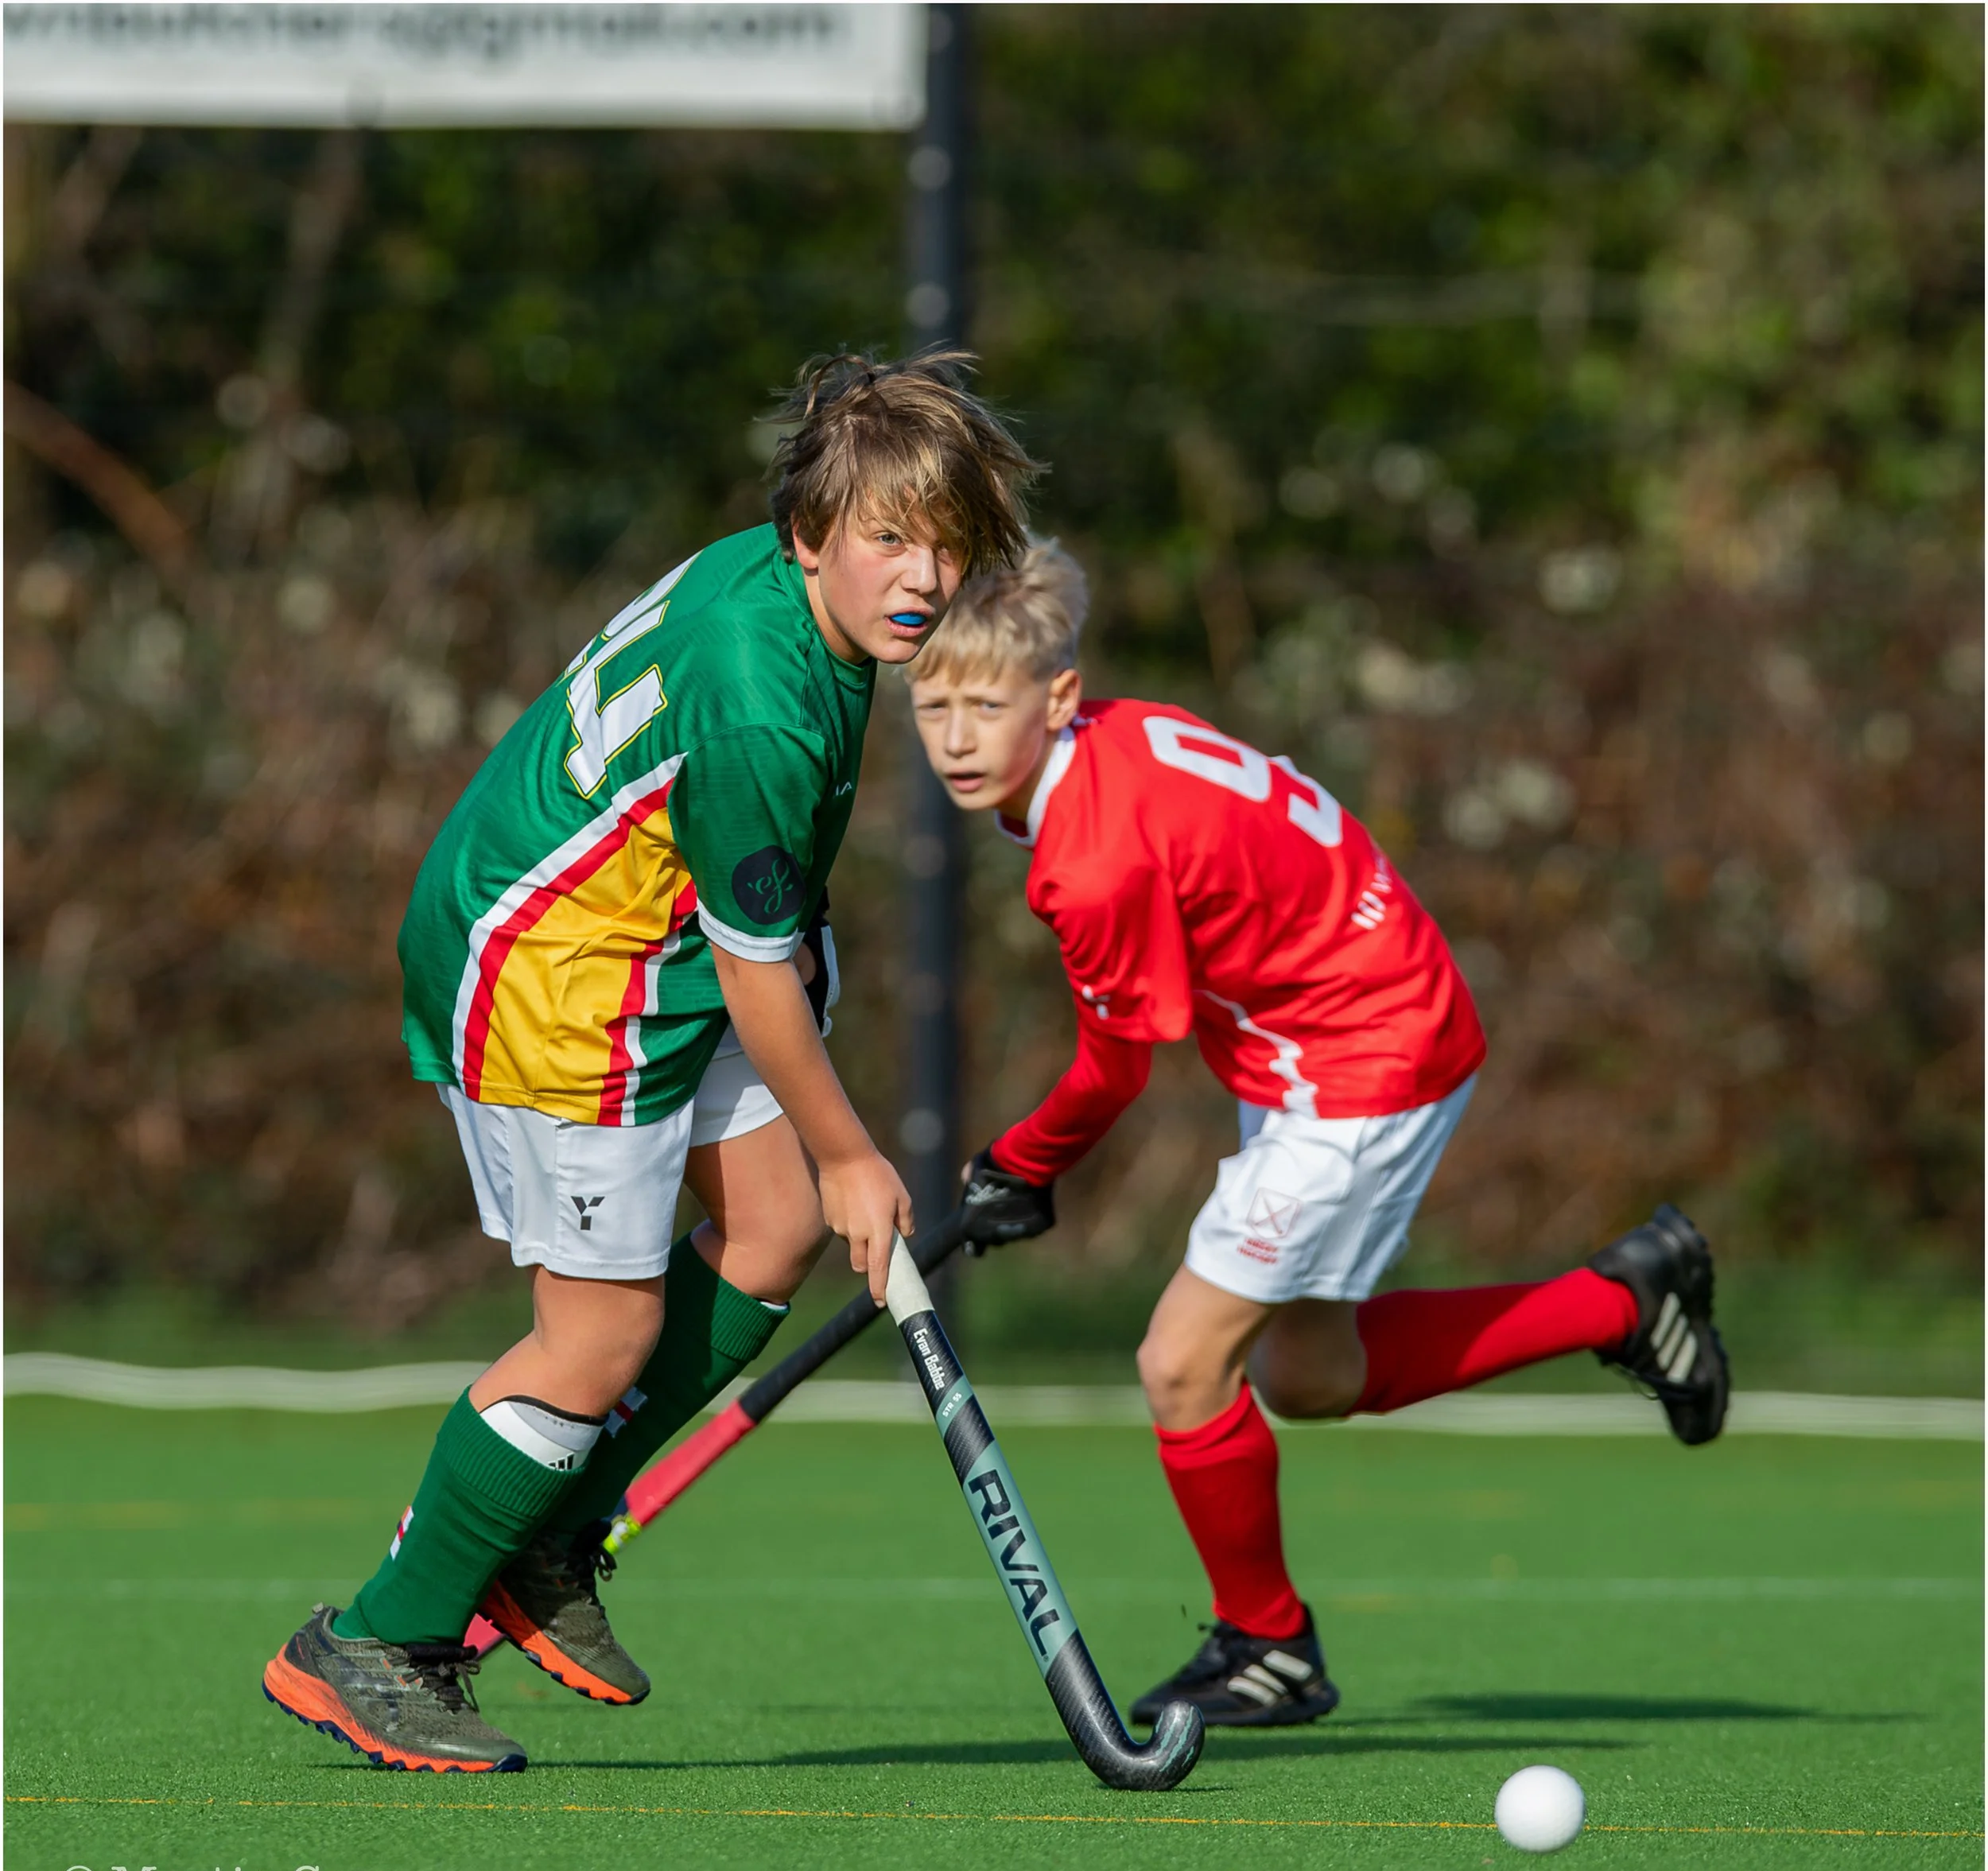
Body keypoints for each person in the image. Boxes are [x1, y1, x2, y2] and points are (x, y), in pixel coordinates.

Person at [262, 352, 1039, 1772]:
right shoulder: (762, 698)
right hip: (556, 973)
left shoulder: (796, 595)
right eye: (888, 539)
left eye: (947, 543)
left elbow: (755, 917)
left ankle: (543, 1535)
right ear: (812, 533)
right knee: (600, 1335)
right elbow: (756, 967)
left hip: (656, 936)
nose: (921, 576)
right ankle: (379, 1637)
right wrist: (860, 1150)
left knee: (772, 1229)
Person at [911, 542, 1729, 1730]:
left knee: (1183, 1363)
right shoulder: (1116, 743)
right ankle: (1626, 1301)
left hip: (1359, 1052)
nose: (956, 739)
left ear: (1059, 698)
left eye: (986, 706)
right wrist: (1026, 1169)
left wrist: (1023, 1168)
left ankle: (1269, 1647)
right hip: (1339, 1016)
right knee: (1309, 1374)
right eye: (933, 706)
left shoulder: (1090, 858)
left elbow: (1119, 1067)